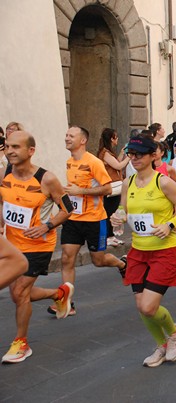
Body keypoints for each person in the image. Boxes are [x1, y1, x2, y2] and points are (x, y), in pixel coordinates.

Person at [110, 135, 176, 367]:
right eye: (131, 154)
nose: (134, 159)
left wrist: (169, 225)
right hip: (138, 251)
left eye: (139, 155)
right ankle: (162, 345)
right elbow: (123, 209)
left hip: (164, 252)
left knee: (149, 306)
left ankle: (175, 332)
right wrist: (118, 217)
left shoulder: (163, 182)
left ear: (152, 156)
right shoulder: (129, 183)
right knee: (141, 306)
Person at [0, 131, 75, 363]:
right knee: (17, 294)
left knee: (20, 292)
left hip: (37, 244)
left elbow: (68, 208)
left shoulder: (46, 179)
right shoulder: (3, 172)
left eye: (16, 147)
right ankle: (59, 293)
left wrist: (47, 226)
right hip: (11, 245)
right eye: (7, 146)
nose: (10, 151)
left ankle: (21, 343)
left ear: (30, 151)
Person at [52, 126, 127, 316]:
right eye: (66, 135)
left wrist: (81, 192)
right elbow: (73, 189)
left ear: (82, 140)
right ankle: (66, 302)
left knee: (99, 260)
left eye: (71, 136)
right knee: (67, 259)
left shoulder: (94, 162)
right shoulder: (70, 162)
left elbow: (108, 189)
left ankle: (122, 265)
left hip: (95, 220)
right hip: (73, 219)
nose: (66, 138)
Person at [97, 128, 130, 247]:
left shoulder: (108, 152)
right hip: (111, 186)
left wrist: (122, 154)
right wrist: (129, 157)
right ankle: (108, 236)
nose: (117, 139)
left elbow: (115, 165)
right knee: (110, 211)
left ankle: (111, 236)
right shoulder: (105, 153)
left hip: (114, 186)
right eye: (116, 137)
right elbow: (119, 165)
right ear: (111, 138)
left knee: (112, 210)